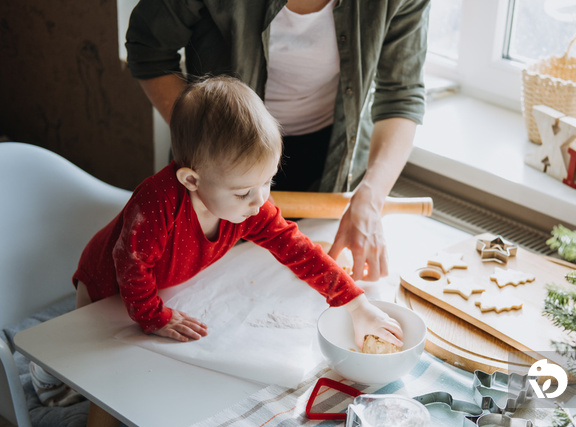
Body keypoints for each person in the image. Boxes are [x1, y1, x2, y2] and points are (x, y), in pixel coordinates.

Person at [30, 76, 402, 406]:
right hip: (105, 279)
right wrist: (152, 317)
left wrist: (357, 305)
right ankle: (42, 375)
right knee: (81, 363)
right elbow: (129, 263)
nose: (260, 201)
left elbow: (297, 249)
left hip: (157, 280)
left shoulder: (250, 207)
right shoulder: (156, 204)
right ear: (192, 180)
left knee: (126, 372)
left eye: (268, 181)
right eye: (244, 192)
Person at [125, 0, 431, 281]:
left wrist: (371, 196)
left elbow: (401, 95)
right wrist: (213, 149)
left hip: (332, 161)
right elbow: (148, 48)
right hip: (223, 173)